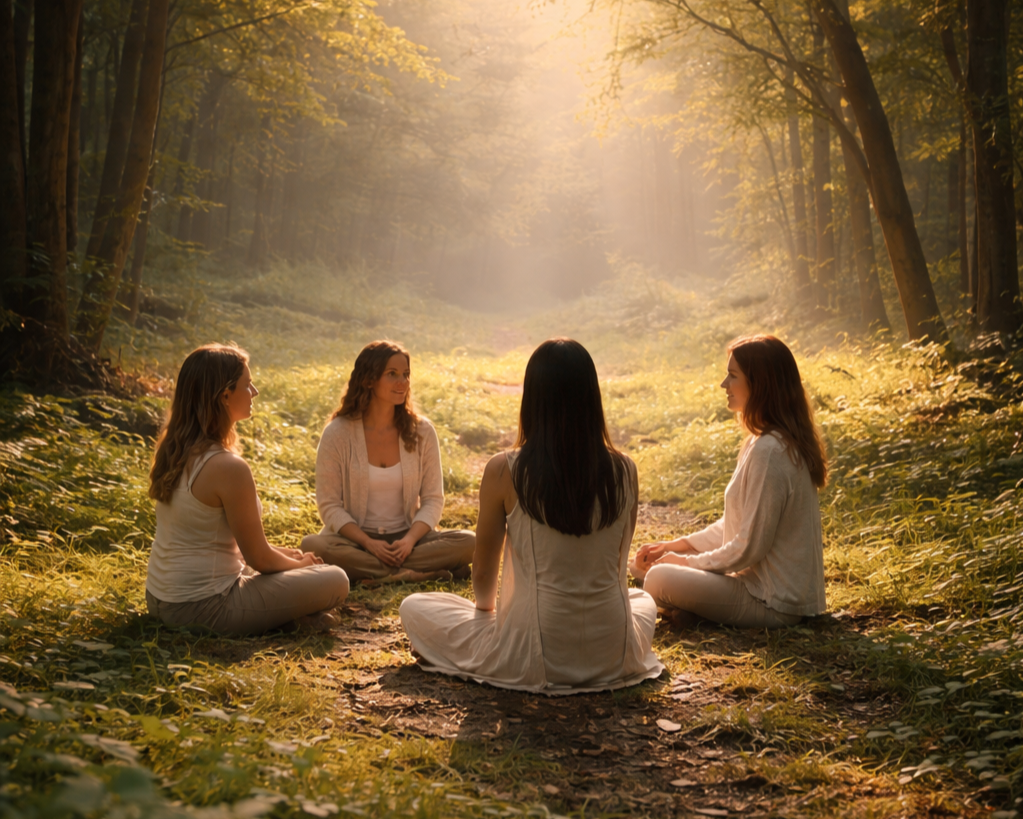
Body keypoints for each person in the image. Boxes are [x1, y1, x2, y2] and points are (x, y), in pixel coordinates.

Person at [399, 338, 664, 694]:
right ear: (591, 397)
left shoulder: (504, 469)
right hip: (613, 651)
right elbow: (617, 567)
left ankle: (487, 644)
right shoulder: (626, 470)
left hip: (534, 655)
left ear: (532, 399)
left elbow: (484, 572)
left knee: (415, 605)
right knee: (642, 600)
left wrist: (487, 619)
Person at [145, 344, 349, 636]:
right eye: (247, 384)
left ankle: (285, 617)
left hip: (159, 599)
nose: (254, 392)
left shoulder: (175, 451)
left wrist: (289, 558)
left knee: (299, 562)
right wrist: (299, 564)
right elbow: (259, 560)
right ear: (225, 396)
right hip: (205, 606)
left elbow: (218, 544)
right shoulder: (227, 466)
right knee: (336, 580)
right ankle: (286, 619)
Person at [633, 334, 827, 628]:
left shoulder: (771, 451)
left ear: (760, 384)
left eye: (733, 375)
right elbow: (736, 524)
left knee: (657, 576)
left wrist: (685, 563)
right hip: (753, 587)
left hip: (772, 601)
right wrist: (679, 545)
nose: (725, 384)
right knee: (642, 566)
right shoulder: (760, 441)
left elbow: (749, 547)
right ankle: (690, 610)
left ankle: (688, 609)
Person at [301, 340, 475, 583]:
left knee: (470, 541)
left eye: (405, 374)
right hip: (357, 542)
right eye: (392, 374)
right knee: (312, 545)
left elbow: (433, 500)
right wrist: (368, 543)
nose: (402, 382)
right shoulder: (338, 433)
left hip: (408, 540)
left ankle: (379, 574)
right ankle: (413, 574)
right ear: (368, 379)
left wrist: (409, 541)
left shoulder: (422, 431)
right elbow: (329, 505)